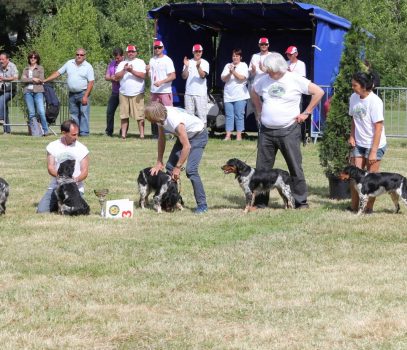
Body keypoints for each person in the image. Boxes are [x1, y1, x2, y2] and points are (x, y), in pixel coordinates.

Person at [251, 52, 324, 209]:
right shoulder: (263, 80)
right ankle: (260, 202)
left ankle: (300, 201)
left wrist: (306, 113)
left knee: (294, 166)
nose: (268, 72)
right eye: (267, 69)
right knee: (262, 169)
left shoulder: (294, 79)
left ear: (279, 68)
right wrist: (258, 110)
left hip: (289, 130)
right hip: (266, 132)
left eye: (271, 70)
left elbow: (319, 92)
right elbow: (253, 91)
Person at [144, 101, 208, 214]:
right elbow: (162, 139)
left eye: (148, 117)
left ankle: (202, 205)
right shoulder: (160, 117)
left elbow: (187, 146)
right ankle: (172, 200)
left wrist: (178, 167)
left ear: (154, 116)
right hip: (184, 136)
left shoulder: (174, 120)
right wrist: (159, 161)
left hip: (198, 135)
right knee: (169, 167)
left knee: (191, 170)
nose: (147, 119)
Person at [348, 71, 387, 213]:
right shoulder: (353, 97)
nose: (352, 87)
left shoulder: (375, 101)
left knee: (371, 180)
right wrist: (352, 136)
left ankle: (368, 208)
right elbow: (353, 119)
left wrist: (373, 151)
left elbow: (378, 128)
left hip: (374, 145)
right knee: (354, 178)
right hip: (359, 144)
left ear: (364, 86)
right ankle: (354, 207)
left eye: (355, 85)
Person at [37, 119, 89, 213]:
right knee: (41, 211)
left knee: (76, 211)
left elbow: (85, 172)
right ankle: (58, 204)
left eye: (77, 134)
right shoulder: (52, 146)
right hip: (56, 187)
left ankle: (61, 205)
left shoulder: (82, 149)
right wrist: (63, 179)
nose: (76, 137)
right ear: (64, 133)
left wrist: (74, 180)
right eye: (73, 134)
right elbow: (50, 168)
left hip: (75, 189)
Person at [43, 48, 94, 136]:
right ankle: (76, 132)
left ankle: (84, 133)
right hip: (72, 94)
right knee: (74, 115)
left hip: (83, 93)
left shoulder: (88, 66)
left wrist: (86, 96)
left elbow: (91, 82)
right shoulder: (69, 63)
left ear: (84, 56)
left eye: (81, 55)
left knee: (84, 114)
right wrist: (46, 80)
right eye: (77, 54)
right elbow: (58, 73)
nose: (79, 56)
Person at [114, 44, 146, 139]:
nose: (131, 53)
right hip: (124, 93)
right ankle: (123, 135)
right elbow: (116, 76)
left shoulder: (140, 62)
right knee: (124, 115)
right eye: (129, 52)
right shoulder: (122, 63)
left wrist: (131, 71)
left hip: (137, 93)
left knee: (140, 116)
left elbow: (143, 75)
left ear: (136, 53)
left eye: (132, 51)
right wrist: (124, 70)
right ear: (126, 53)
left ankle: (142, 135)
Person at [147, 40, 176, 137]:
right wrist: (147, 71)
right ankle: (156, 134)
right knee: (154, 113)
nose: (157, 49)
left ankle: (171, 133)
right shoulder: (152, 60)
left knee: (168, 113)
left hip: (165, 91)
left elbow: (173, 76)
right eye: (155, 47)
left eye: (159, 47)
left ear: (163, 48)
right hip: (154, 91)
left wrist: (161, 82)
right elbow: (150, 76)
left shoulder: (167, 60)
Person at [221, 48, 250, 141]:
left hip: (240, 95)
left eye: (237, 56)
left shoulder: (244, 65)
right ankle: (228, 135)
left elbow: (242, 78)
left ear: (240, 57)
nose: (235, 58)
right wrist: (229, 73)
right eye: (233, 56)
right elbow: (223, 79)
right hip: (228, 95)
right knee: (229, 115)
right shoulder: (227, 66)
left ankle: (238, 136)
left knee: (239, 115)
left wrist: (233, 71)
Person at [21, 51, 49, 136]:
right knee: (32, 113)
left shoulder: (40, 68)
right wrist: (33, 79)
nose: (33, 59)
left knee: (41, 111)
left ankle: (45, 130)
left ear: (37, 59)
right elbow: (22, 80)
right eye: (31, 57)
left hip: (38, 92)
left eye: (34, 57)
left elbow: (41, 79)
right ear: (29, 58)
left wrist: (28, 78)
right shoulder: (26, 69)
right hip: (28, 92)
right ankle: (35, 132)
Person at [182, 44, 210, 125]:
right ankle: (190, 135)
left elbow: (203, 76)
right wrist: (186, 67)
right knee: (189, 116)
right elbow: (184, 77)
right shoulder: (188, 62)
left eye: (199, 51)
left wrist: (198, 67)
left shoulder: (205, 63)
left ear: (202, 52)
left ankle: (203, 135)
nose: (198, 53)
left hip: (200, 93)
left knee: (202, 116)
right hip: (189, 93)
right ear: (193, 52)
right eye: (196, 51)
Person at [104, 47, 124, 137]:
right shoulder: (112, 64)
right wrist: (111, 78)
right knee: (109, 111)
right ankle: (109, 131)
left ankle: (123, 132)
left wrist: (119, 78)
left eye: (118, 58)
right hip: (115, 92)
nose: (116, 60)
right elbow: (106, 76)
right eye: (115, 58)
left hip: (124, 92)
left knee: (124, 113)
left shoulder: (125, 64)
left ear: (122, 56)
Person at [0, 52, 18, 134]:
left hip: (10, 91)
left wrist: (4, 79)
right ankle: (7, 130)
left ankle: (1, 118)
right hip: (1, 90)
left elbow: (16, 78)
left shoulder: (12, 66)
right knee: (4, 108)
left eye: (2, 59)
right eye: (0, 59)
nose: (1, 61)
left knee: (2, 99)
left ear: (7, 59)